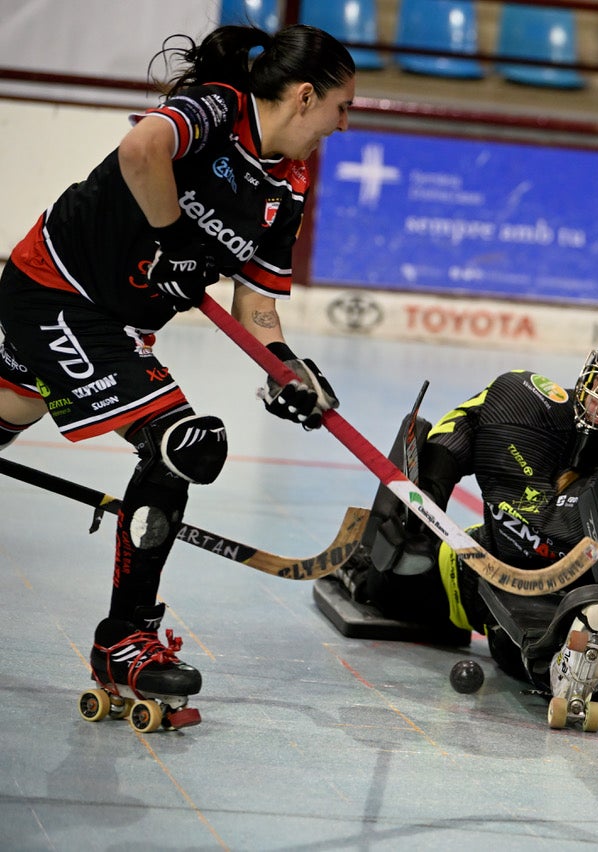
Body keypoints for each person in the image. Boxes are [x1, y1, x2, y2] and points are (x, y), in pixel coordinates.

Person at [0, 24, 355, 728]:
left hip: (118, 325)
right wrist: (173, 240)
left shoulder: (290, 185)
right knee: (181, 443)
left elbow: (255, 305)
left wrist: (285, 370)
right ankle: (125, 642)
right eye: (342, 108)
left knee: (9, 411)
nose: (342, 126)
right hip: (58, 290)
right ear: (306, 96)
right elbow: (141, 150)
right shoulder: (219, 109)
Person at [323, 332, 598, 731]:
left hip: (559, 602)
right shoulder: (527, 405)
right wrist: (425, 500)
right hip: (475, 567)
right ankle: (364, 566)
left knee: (524, 654)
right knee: (389, 578)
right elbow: (464, 424)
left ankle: (574, 652)